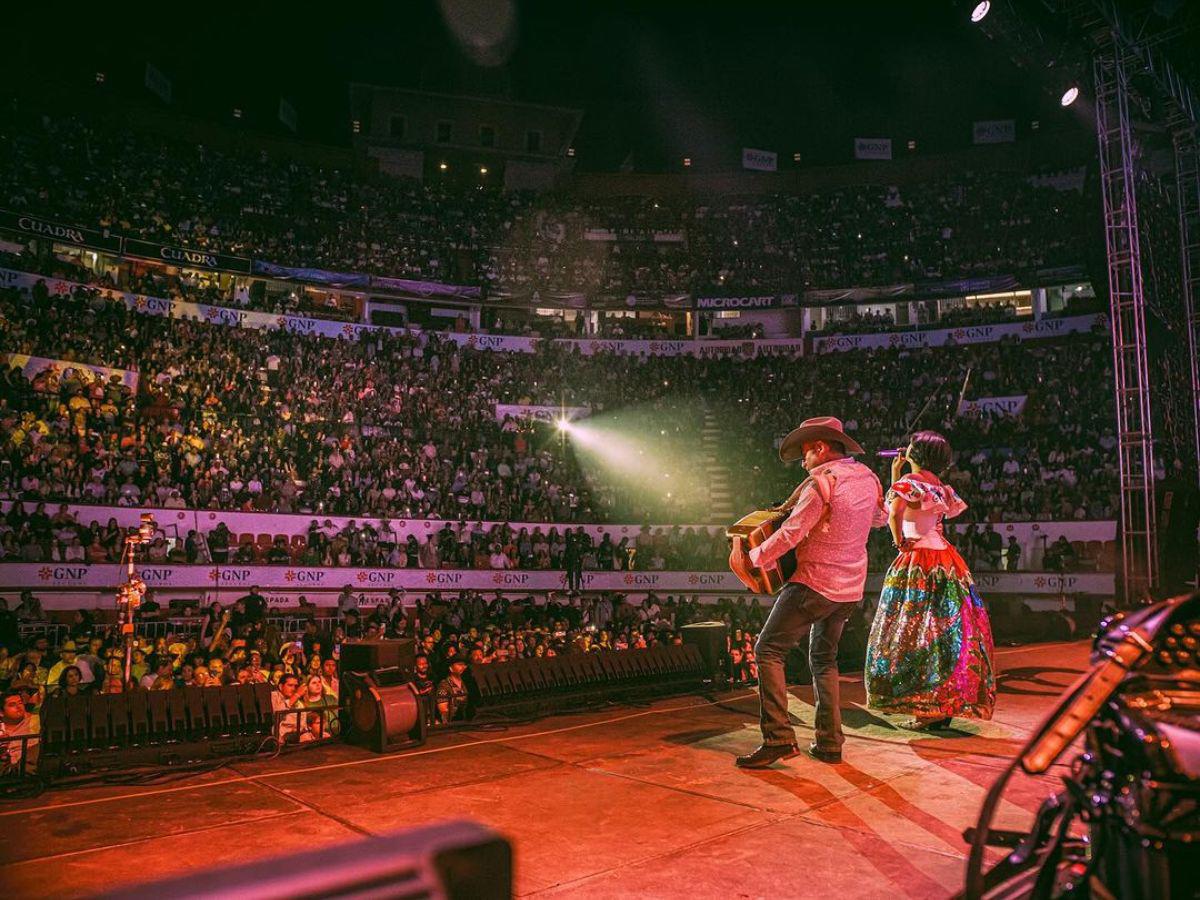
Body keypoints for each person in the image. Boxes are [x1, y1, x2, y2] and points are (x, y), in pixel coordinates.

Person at [732, 416, 886, 768]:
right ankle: (830, 743)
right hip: (849, 589)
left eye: (805, 454)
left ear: (820, 448)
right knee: (823, 659)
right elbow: (878, 519)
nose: (804, 462)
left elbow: (791, 533)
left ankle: (778, 738)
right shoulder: (868, 478)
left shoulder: (822, 484)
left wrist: (753, 558)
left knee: (767, 650)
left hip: (814, 583)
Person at [864, 430, 995, 730]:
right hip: (947, 562)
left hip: (918, 559)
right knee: (941, 632)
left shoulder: (910, 483)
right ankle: (942, 703)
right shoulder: (942, 489)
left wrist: (899, 543)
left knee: (913, 631)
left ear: (917, 453)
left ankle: (925, 707)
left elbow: (893, 513)